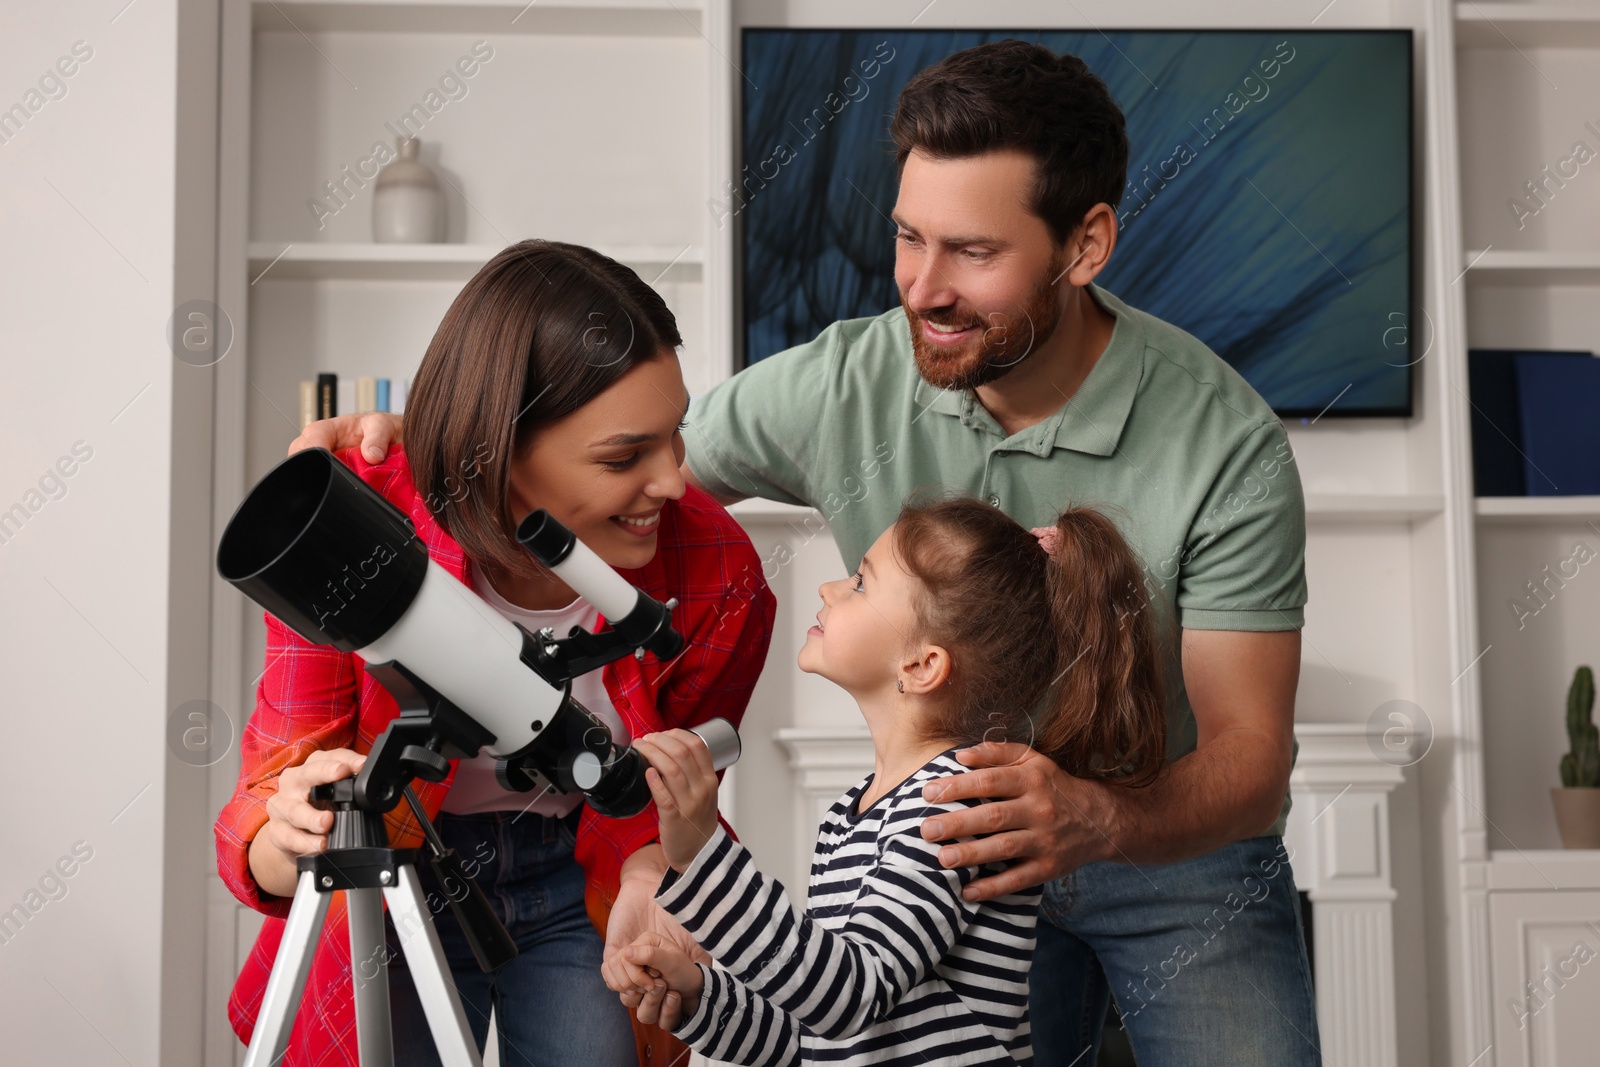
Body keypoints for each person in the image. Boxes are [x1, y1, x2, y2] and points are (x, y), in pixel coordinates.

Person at [292, 38, 1318, 1066]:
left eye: (972, 252)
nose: (921, 287)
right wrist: (414, 463)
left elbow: (1249, 757)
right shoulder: (844, 382)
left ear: (1086, 244)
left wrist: (1095, 815)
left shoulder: (1221, 440)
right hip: (961, 845)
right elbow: (618, 467)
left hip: (1172, 846)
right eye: (907, 238)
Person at [214, 239, 777, 1067]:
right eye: (625, 455)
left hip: (576, 881)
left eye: (675, 435)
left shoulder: (715, 570)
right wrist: (286, 835)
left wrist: (652, 868)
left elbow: (673, 792)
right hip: (391, 867)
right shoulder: (355, 525)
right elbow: (271, 788)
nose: (672, 480)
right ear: (500, 447)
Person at [605, 497, 1168, 1065]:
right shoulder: (854, 814)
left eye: (859, 584)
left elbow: (850, 997)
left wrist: (706, 856)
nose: (829, 589)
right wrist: (702, 997)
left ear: (922, 666)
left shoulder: (958, 802)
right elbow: (822, 1042)